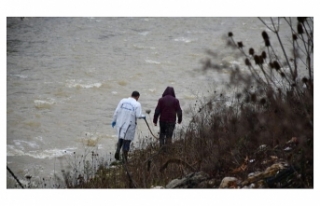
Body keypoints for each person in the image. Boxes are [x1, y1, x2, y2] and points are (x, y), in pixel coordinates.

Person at [111, 91, 145, 162]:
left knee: (121, 137)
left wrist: (114, 120)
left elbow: (116, 111)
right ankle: (125, 158)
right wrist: (143, 116)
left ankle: (118, 151)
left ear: (131, 95)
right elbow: (138, 115)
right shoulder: (137, 104)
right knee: (127, 141)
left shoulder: (123, 101)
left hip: (120, 123)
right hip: (130, 125)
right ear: (137, 97)